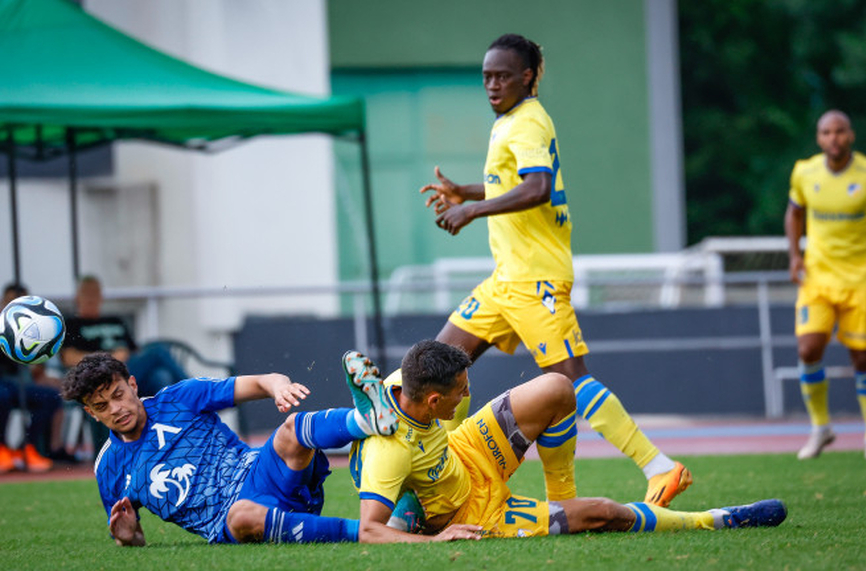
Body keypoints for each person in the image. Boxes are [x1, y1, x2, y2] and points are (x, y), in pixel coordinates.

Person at [418, 32, 691, 505]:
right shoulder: (510, 122)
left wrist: (469, 212)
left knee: (571, 382)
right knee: (434, 370)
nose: (492, 84)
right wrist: (466, 191)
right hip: (505, 280)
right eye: (486, 76)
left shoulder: (526, 121)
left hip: (535, 279)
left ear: (528, 76)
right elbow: (511, 183)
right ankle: (436, 476)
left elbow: (537, 188)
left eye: (503, 76)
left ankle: (660, 468)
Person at [350, 341, 787, 543]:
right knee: (604, 513)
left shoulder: (399, 384)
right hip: (476, 512)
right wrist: (433, 539)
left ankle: (562, 498)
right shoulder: (389, 452)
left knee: (559, 386)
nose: (467, 394)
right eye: (460, 390)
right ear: (431, 399)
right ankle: (717, 519)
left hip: (467, 450)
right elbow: (370, 529)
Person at [60, 351, 399, 545]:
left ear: (132, 385)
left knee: (292, 428)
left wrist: (279, 387)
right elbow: (134, 540)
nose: (115, 409)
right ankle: (369, 531)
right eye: (102, 406)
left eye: (118, 395)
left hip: (264, 473)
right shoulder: (109, 468)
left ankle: (370, 420)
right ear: (91, 413)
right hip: (231, 521)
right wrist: (126, 535)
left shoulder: (179, 398)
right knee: (242, 515)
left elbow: (263, 380)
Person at [785, 109, 866, 460]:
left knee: (861, 357)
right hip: (818, 276)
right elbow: (795, 212)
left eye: (840, 131)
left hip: (860, 277)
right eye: (827, 132)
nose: (834, 138)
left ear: (851, 135)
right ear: (819, 138)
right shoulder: (805, 172)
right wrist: (794, 254)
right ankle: (821, 427)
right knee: (808, 348)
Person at [60, 275, 186, 398]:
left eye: (95, 293)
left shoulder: (114, 320)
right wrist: (109, 358)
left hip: (129, 370)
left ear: (101, 296)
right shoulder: (71, 324)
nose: (91, 298)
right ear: (77, 297)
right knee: (158, 351)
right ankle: (195, 391)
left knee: (160, 376)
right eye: (87, 293)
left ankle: (169, 416)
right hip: (101, 375)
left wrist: (125, 355)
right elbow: (68, 357)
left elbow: (135, 350)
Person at [0, 283, 65, 473]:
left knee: (50, 397)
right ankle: (2, 448)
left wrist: (41, 373)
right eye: (10, 301)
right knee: (1, 396)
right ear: (4, 302)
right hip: (3, 385)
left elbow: (36, 369)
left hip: (20, 384)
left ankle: (27, 447)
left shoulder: (35, 329)